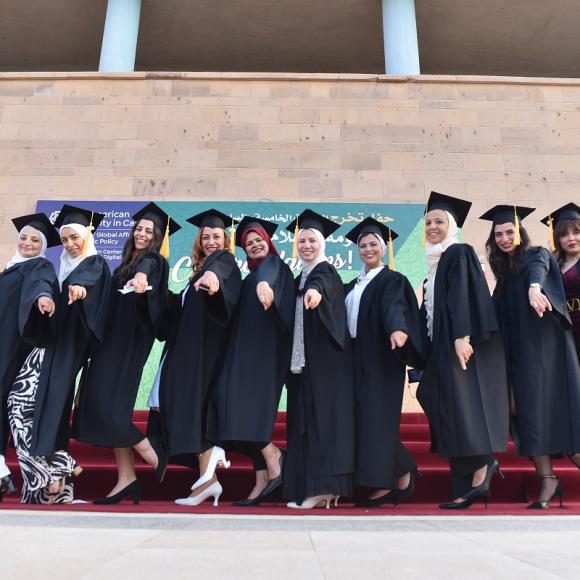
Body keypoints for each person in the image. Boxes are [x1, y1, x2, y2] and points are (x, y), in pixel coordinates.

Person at [73, 203, 179, 505]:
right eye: (139, 228)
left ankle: (150, 450)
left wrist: (142, 279)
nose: (143, 233)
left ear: (158, 237)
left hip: (129, 343)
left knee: (105, 407)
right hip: (109, 343)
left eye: (150, 230)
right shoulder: (121, 267)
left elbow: (147, 268)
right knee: (107, 408)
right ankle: (127, 478)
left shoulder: (153, 261)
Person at [11, 205, 111, 503]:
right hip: (52, 346)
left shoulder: (93, 262)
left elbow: (89, 278)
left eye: (74, 238)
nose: (69, 244)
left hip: (67, 348)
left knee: (40, 406)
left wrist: (80, 288)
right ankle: (58, 476)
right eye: (64, 239)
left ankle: (55, 476)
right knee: (31, 406)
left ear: (86, 237)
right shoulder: (62, 267)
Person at [482, 204, 580, 509]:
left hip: (546, 355)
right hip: (518, 358)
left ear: (519, 233)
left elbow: (539, 272)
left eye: (510, 232)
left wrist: (534, 289)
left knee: (562, 415)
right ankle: (547, 479)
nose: (504, 238)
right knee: (527, 416)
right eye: (498, 234)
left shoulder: (536, 255)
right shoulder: (504, 272)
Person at [416, 192, 509, 510]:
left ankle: (481, 469)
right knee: (441, 404)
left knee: (462, 409)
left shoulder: (457, 253)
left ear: (452, 225)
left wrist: (461, 337)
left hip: (459, 346)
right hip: (442, 350)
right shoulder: (434, 267)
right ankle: (473, 478)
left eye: (439, 221)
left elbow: (462, 296)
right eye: (428, 222)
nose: (432, 227)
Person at [156, 209, 242, 507]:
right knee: (193, 411)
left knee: (196, 409)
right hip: (189, 353)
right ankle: (208, 480)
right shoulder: (197, 271)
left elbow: (219, 275)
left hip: (205, 353)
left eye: (217, 236)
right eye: (206, 237)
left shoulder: (225, 261)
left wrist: (211, 279)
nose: (211, 241)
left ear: (225, 240)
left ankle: (208, 476)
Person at [207, 216, 295, 506]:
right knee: (229, 406)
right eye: (249, 243)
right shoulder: (248, 277)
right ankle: (261, 480)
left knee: (245, 413)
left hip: (262, 356)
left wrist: (264, 287)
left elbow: (268, 282)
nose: (255, 245)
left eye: (258, 240)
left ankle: (274, 457)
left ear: (268, 243)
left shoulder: (274, 267)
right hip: (242, 354)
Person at [344, 218, 424, 507]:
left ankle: (385, 483)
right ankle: (402, 468)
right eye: (363, 245)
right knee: (360, 419)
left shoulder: (392, 280)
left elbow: (396, 307)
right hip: (353, 358)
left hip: (381, 356)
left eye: (373, 244)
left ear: (383, 248)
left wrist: (398, 329)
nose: (367, 249)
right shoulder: (352, 285)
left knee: (376, 418)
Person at [283, 209, 354, 509]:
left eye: (312, 240)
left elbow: (323, 287)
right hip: (302, 367)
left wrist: (314, 294)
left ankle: (324, 489)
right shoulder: (302, 275)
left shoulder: (324, 273)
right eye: (302, 241)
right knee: (304, 425)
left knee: (322, 425)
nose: (307, 246)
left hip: (324, 368)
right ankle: (309, 488)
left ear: (323, 244)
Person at [0, 213, 60, 501]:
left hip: (12, 347)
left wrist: (44, 298)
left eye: (35, 240)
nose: (27, 243)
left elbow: (43, 283)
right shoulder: (11, 268)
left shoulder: (39, 266)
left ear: (43, 245)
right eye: (24, 237)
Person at [541, 203, 580, 361]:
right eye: (564, 234)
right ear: (557, 238)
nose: (571, 238)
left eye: (577, 232)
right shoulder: (552, 265)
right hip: (563, 330)